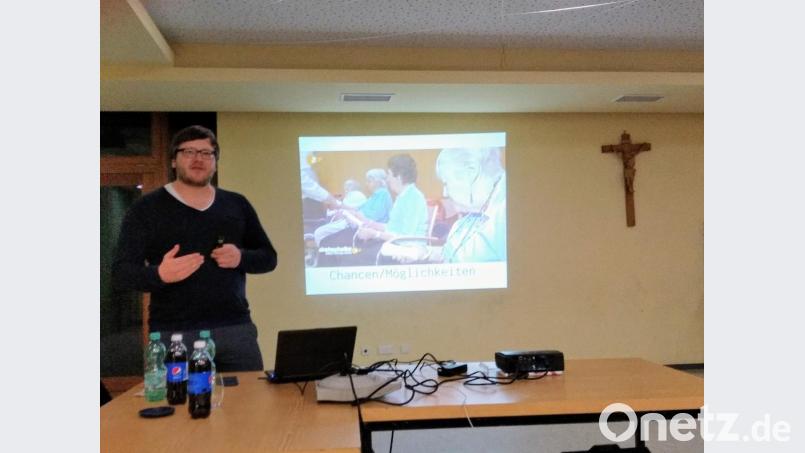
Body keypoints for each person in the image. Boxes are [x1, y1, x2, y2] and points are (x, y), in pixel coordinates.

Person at [112, 125, 277, 372]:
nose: (198, 158)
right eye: (188, 151)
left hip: (235, 331)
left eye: (206, 153)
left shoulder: (236, 204)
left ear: (216, 163)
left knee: (248, 407)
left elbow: (268, 258)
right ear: (174, 161)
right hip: (175, 335)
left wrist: (240, 257)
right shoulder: (145, 209)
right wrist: (159, 274)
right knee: (178, 408)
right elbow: (121, 273)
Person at [388, 147, 506, 264]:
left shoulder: (509, 212)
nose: (445, 193)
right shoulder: (475, 213)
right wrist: (426, 254)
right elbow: (454, 254)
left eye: (446, 183)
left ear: (471, 171)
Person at [313, 170, 392, 247]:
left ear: (378, 182)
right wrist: (348, 212)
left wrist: (354, 214)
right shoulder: (374, 196)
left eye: (369, 181)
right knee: (320, 232)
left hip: (362, 226)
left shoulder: (383, 194)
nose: (366, 184)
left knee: (320, 233)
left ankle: (322, 256)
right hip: (356, 222)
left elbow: (374, 216)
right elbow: (359, 209)